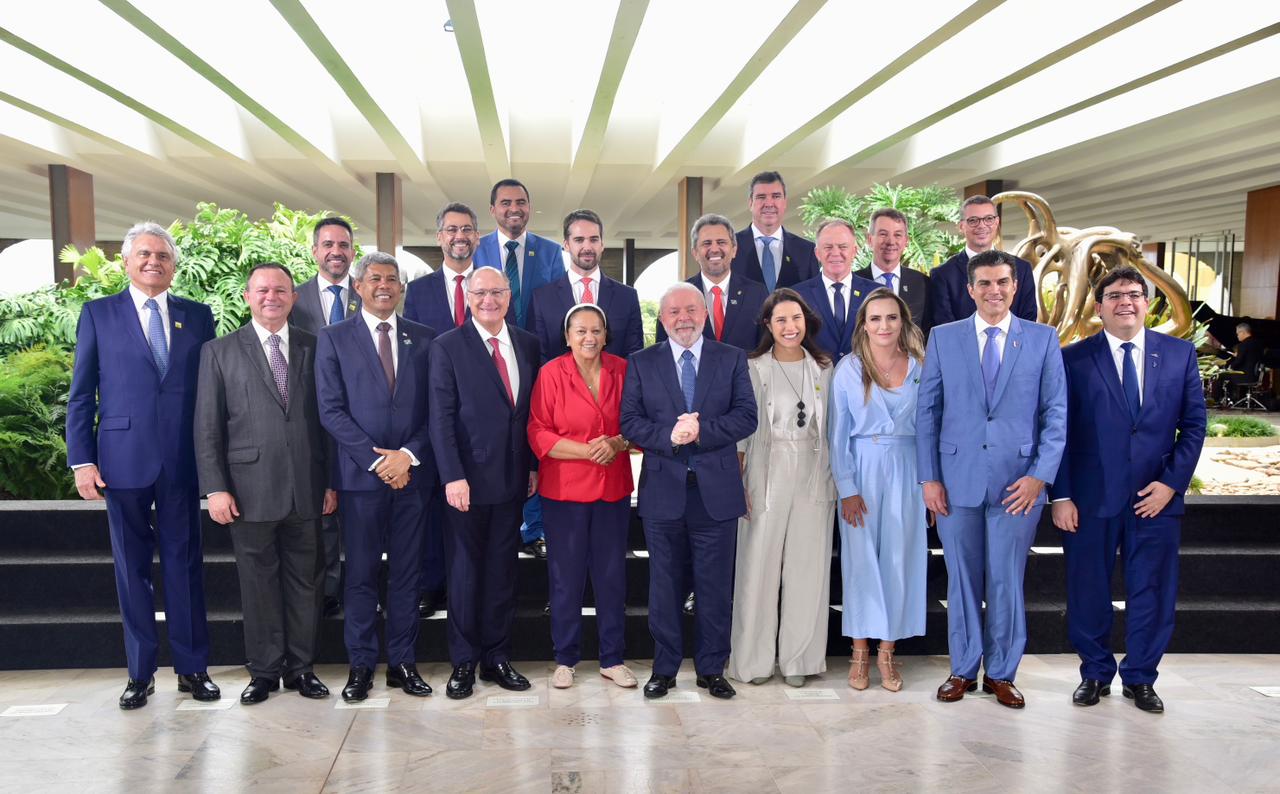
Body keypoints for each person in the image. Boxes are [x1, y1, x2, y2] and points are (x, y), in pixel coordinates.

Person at [65, 221, 220, 709]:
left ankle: (194, 669)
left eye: (163, 256)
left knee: (185, 566)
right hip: (121, 461)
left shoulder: (198, 316)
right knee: (132, 570)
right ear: (128, 262)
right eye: (144, 255)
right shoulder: (98, 314)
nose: (154, 262)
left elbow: (209, 396)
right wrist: (81, 460)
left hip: (181, 461)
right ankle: (140, 672)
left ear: (174, 266)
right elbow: (81, 395)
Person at [1051, 266, 1206, 713]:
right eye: (1116, 295)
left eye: (1135, 294)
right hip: (1088, 500)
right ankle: (1095, 672)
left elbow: (1194, 426)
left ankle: (1141, 677)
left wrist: (1171, 485)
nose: (1127, 302)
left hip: (1155, 500)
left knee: (1152, 593)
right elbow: (1058, 431)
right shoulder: (1073, 358)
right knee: (1087, 590)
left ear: (1145, 303)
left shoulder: (1178, 355)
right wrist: (1060, 495)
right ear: (1098, 307)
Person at [916, 249, 1066, 709]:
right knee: (961, 579)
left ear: (1015, 286)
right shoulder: (943, 337)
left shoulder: (1042, 339)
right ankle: (962, 669)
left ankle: (1001, 673)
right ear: (970, 289)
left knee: (1006, 579)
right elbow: (928, 412)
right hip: (955, 483)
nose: (993, 291)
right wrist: (929, 478)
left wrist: (1040, 477)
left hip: (1018, 485)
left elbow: (1055, 414)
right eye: (984, 283)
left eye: (1002, 282)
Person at [194, 263, 335, 704]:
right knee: (257, 586)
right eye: (262, 290)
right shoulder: (219, 352)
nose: (271, 296)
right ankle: (264, 671)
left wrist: (330, 483)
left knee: (306, 585)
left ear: (294, 298)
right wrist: (215, 487)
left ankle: (301, 668)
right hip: (247, 490)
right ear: (247, 296)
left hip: (308, 489)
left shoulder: (317, 347)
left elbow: (328, 423)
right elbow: (207, 427)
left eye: (280, 290)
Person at [620, 283, 757, 700]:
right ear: (662, 319)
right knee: (664, 586)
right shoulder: (642, 362)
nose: (684, 318)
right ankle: (664, 669)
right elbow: (630, 421)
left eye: (692, 309)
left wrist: (700, 431)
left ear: (704, 314)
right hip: (664, 493)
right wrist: (670, 436)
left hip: (715, 493)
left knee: (715, 586)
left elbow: (747, 416)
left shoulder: (730, 358)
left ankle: (712, 669)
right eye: (675, 311)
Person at [315, 252, 437, 702]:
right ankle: (361, 665)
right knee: (361, 576)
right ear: (359, 287)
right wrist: (377, 460)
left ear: (401, 289)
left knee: (407, 575)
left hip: (412, 478)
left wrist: (407, 456)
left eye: (392, 279)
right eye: (374, 279)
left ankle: (403, 662)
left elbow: (436, 412)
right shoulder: (333, 338)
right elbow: (330, 410)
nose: (384, 285)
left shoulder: (425, 339)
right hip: (360, 480)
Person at [429, 267, 542, 699]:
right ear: (468, 297)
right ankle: (463, 662)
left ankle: (497, 657)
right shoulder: (447, 347)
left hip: (513, 481)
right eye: (481, 292)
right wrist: (453, 476)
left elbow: (529, 414)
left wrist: (531, 466)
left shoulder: (528, 343)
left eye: (497, 292)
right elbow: (439, 418)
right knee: (464, 574)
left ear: (509, 296)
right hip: (466, 485)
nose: (489, 299)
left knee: (502, 573)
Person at [403, 202, 512, 619]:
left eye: (467, 229)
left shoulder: (493, 288)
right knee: (434, 507)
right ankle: (434, 585)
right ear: (439, 237)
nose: (459, 236)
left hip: (483, 431)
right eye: (451, 230)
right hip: (434, 416)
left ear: (478, 237)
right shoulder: (421, 289)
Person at [727, 288, 835, 688]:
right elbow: (740, 427)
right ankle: (752, 661)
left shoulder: (824, 367)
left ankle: (799, 661)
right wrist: (739, 481)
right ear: (768, 326)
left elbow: (834, 427)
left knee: (808, 568)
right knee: (758, 568)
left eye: (796, 319)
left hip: (813, 469)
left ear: (807, 322)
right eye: (781, 321)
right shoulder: (753, 366)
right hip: (764, 467)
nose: (790, 327)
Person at [527, 304, 637, 690]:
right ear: (567, 335)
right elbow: (538, 432)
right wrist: (588, 450)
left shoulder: (624, 370)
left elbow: (638, 423)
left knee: (611, 577)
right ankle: (566, 657)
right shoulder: (550, 373)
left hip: (612, 489)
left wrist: (618, 442)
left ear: (606, 335)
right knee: (565, 577)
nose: (589, 338)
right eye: (580, 331)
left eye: (596, 331)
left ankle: (613, 657)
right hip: (565, 491)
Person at [829, 288, 928, 692]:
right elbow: (837, 435)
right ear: (863, 325)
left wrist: (930, 483)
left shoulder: (922, 366)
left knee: (901, 561)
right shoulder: (849, 369)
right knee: (861, 563)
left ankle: (887, 652)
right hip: (862, 471)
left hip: (908, 469)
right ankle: (859, 652)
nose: (883, 325)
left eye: (891, 317)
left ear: (902, 321)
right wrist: (846, 487)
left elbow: (930, 429)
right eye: (875, 319)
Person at [473, 179, 561, 559]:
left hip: (534, 361)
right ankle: (503, 523)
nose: (514, 208)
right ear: (492, 209)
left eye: (521, 202)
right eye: (506, 202)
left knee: (534, 443)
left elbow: (557, 305)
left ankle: (535, 528)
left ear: (530, 208)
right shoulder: (476, 250)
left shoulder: (552, 252)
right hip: (489, 361)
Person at [290, 216, 361, 618]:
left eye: (344, 245)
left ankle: (361, 585)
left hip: (363, 422)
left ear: (353, 252)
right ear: (315, 250)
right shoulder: (293, 300)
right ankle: (329, 588)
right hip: (312, 420)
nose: (337, 252)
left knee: (360, 512)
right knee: (324, 508)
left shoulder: (368, 293)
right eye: (328, 245)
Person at [529, 209, 644, 362]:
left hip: (615, 385)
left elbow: (634, 354)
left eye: (594, 239)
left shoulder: (627, 296)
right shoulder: (542, 298)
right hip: (559, 385)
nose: (587, 247)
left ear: (602, 244)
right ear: (566, 245)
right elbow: (539, 356)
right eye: (579, 240)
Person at [657, 213, 769, 354]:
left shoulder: (757, 293)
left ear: (734, 250)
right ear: (695, 253)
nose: (714, 249)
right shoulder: (674, 297)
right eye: (707, 243)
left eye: (721, 242)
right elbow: (662, 354)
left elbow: (767, 348)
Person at [929, 196, 1038, 328]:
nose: (982, 225)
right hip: (962, 347)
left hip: (1014, 346)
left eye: (988, 219)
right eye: (973, 220)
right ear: (961, 226)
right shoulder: (943, 274)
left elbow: (1028, 320)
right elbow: (945, 326)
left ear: (997, 222)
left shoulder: (1022, 269)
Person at [792, 219, 880, 363]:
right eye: (828, 247)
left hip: (864, 381)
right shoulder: (797, 296)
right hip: (814, 381)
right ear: (817, 253)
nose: (835, 253)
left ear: (854, 251)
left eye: (842, 246)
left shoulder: (876, 293)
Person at [730, 171, 819, 290]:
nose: (769, 203)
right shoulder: (730, 247)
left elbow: (813, 300)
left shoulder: (806, 251)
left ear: (784, 202)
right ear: (750, 203)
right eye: (761, 197)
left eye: (776, 196)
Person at [854, 208, 932, 334]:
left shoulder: (923, 283)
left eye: (897, 235)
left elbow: (928, 331)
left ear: (906, 241)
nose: (890, 241)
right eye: (883, 234)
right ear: (870, 239)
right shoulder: (853, 283)